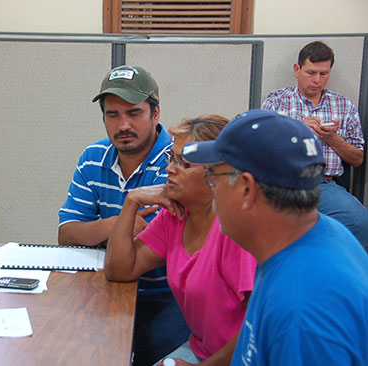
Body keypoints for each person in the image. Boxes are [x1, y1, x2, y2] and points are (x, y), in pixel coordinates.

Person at [182, 109, 368, 365]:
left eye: (213, 177)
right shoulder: (316, 234)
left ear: (246, 189)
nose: (211, 190)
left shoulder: (300, 314)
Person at [58, 65, 189, 365]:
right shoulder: (93, 157)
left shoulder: (178, 161)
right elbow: (67, 233)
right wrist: (118, 224)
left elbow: (146, 250)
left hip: (164, 294)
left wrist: (100, 232)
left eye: (134, 113)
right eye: (112, 115)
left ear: (156, 114)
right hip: (102, 285)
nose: (123, 125)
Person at [105, 115, 257, 366]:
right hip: (203, 350)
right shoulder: (175, 215)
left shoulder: (235, 229)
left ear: (216, 173)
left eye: (182, 162)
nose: (169, 169)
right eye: (170, 157)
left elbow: (259, 329)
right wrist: (131, 202)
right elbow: (119, 269)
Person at [261, 40, 368, 248]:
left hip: (321, 184)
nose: (317, 80)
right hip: (281, 180)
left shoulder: (344, 106)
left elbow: (358, 159)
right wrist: (297, 128)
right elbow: (262, 144)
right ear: (297, 69)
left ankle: (344, 275)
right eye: (311, 73)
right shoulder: (277, 101)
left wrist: (332, 138)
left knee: (359, 222)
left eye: (323, 74)